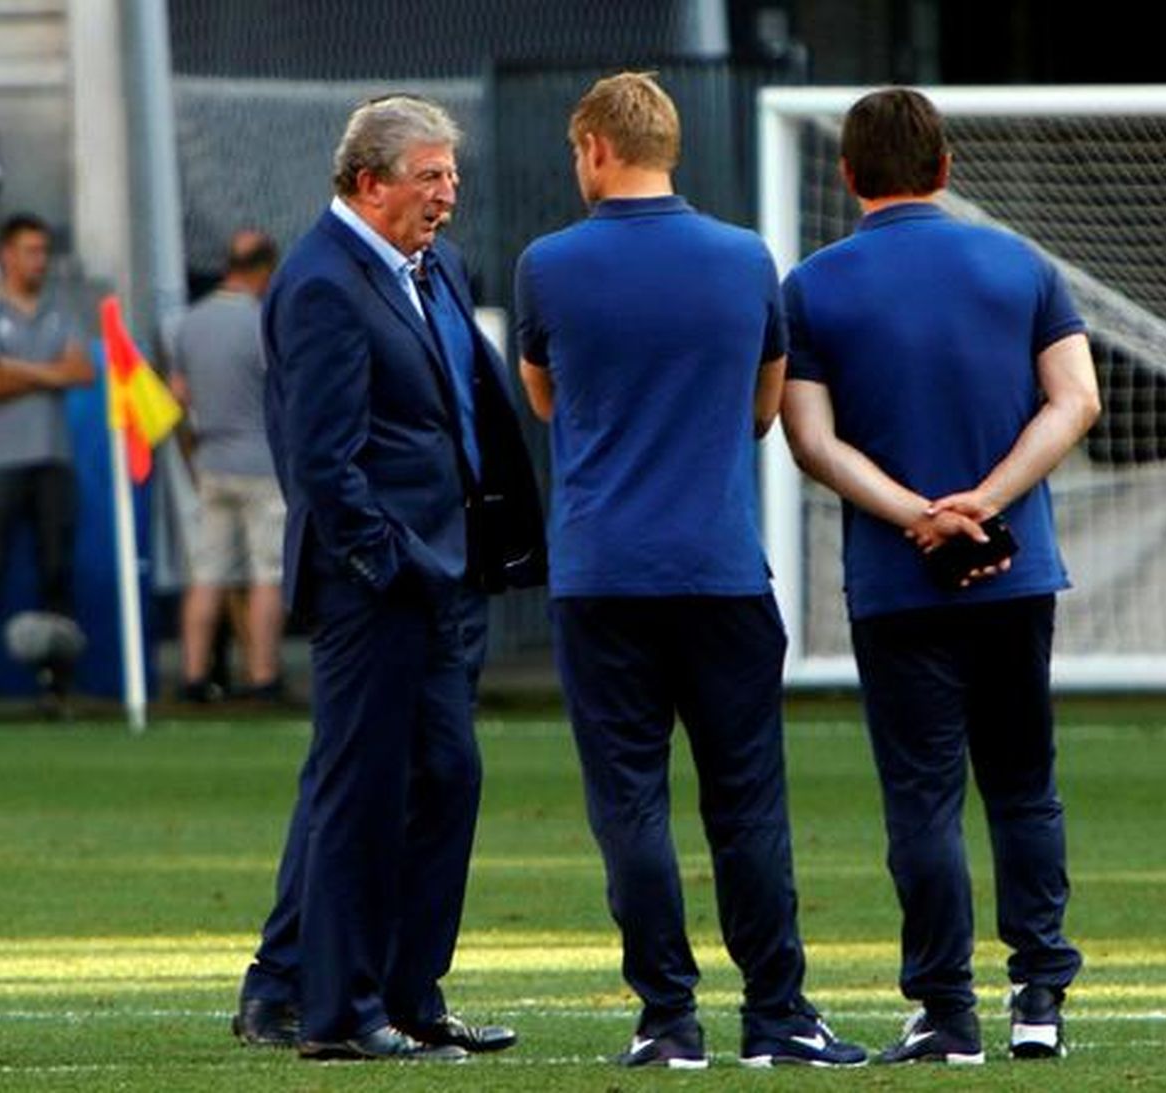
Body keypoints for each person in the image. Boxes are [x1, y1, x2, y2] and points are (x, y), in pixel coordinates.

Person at [514, 72, 866, 1070]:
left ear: (593, 147)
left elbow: (545, 403)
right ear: (670, 146)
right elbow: (762, 408)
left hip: (599, 573)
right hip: (716, 568)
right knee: (745, 800)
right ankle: (777, 1014)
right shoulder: (744, 258)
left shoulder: (547, 264)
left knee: (627, 802)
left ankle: (666, 1017)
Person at [779, 87, 1101, 1064]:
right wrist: (986, 500)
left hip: (894, 579)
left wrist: (916, 513)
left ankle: (944, 1010)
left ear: (845, 175)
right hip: (1011, 573)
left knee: (921, 795)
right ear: (945, 165)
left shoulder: (812, 286)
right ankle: (1037, 994)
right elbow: (1075, 399)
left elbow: (809, 437)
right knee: (1021, 784)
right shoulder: (1017, 263)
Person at [235, 93, 545, 1062]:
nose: (448, 196)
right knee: (361, 791)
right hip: (376, 584)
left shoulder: (434, 267)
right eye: (429, 178)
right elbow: (320, 459)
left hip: (446, 575)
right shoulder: (320, 282)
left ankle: (410, 993)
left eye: (451, 176)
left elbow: (459, 413)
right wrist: (383, 562)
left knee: (445, 779)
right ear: (369, 183)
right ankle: (334, 1011)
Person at [0, 213, 94, 711]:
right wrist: (50, 373)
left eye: (44, 251)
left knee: (56, 568)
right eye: (30, 250)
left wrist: (17, 366)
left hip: (52, 457)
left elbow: (82, 372)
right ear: (7, 255)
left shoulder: (61, 310)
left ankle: (56, 683)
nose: (39, 260)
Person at [168, 230, 286, 704]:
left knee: (208, 573)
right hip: (261, 461)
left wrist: (194, 450)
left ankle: (193, 675)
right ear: (264, 271)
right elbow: (283, 392)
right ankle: (262, 675)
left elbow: (178, 396)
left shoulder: (187, 325)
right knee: (267, 574)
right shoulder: (262, 323)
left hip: (211, 460)